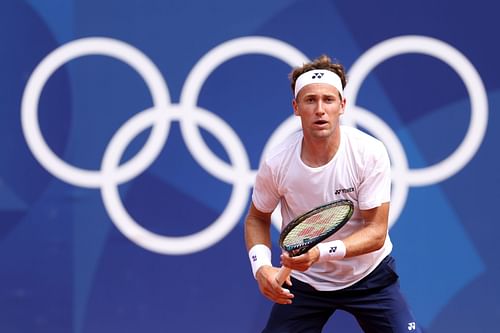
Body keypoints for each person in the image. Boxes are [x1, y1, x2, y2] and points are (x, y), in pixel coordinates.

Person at [244, 55, 420, 333]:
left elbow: (376, 232)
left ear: (342, 106)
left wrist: (320, 252)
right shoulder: (277, 162)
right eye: (310, 100)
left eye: (328, 100)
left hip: (369, 276)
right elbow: (257, 218)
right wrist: (261, 267)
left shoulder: (368, 153)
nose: (320, 110)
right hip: (306, 282)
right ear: (296, 108)